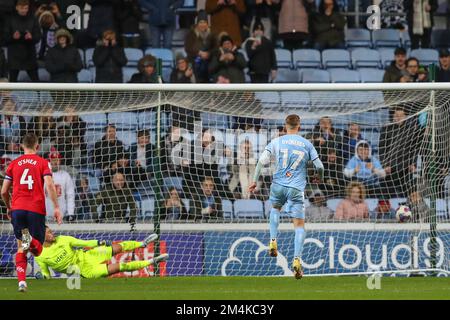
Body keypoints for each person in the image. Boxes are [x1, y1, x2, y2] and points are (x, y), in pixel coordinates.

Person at [248, 114, 324, 279]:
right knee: (299, 225)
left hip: (278, 186)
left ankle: (273, 240)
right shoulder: (307, 144)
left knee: (275, 208)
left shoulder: (276, 141)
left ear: (285, 125)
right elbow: (320, 166)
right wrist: (320, 177)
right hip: (296, 189)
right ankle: (297, 260)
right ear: (300, 126)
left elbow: (261, 162)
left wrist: (254, 181)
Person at [0, 133, 62, 292]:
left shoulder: (13, 163)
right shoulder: (43, 162)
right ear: (37, 146)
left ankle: (21, 282)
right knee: (38, 249)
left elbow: (3, 191)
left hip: (18, 209)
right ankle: (29, 239)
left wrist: (9, 207)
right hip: (35, 209)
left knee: (22, 245)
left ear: (22, 146)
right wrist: (56, 207)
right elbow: (49, 185)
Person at [34, 226, 168, 279]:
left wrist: (100, 243)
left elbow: (85, 244)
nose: (53, 233)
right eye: (49, 232)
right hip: (85, 271)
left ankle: (142, 243)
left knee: (117, 247)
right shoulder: (40, 255)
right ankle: (152, 261)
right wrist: (42, 277)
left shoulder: (63, 239)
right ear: (41, 235)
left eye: (51, 231)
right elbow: (47, 275)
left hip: (88, 255)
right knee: (120, 267)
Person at [379, 107, 421, 197]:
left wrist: (413, 163)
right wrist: (385, 164)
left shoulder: (411, 129)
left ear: (405, 116)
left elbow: (414, 149)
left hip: (406, 167)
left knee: (410, 192)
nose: (399, 118)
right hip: (390, 167)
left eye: (401, 116)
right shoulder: (386, 129)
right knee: (387, 192)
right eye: (396, 116)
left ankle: (410, 208)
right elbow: (382, 149)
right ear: (393, 117)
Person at [3, 0, 41, 82]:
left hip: (30, 55)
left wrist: (31, 37)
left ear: (28, 8)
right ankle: (11, 95)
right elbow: (4, 39)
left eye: (25, 8)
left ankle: (39, 95)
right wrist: (13, 37)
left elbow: (38, 37)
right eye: (21, 8)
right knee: (12, 82)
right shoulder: (10, 20)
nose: (23, 10)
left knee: (36, 82)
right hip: (14, 57)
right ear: (17, 8)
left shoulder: (33, 19)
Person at [184, 10, 218, 83]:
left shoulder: (212, 35)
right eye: (200, 22)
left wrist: (208, 53)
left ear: (207, 24)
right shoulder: (191, 34)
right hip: (195, 59)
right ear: (197, 24)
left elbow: (216, 48)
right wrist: (199, 53)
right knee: (197, 64)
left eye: (204, 22)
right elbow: (188, 48)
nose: (202, 25)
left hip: (209, 59)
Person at [45, 151, 75, 222]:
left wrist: (70, 213)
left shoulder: (65, 175)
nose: (54, 162)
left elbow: (70, 196)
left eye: (57, 160)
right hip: (46, 216)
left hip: (62, 216)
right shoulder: (44, 175)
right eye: (52, 160)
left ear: (60, 161)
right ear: (49, 161)